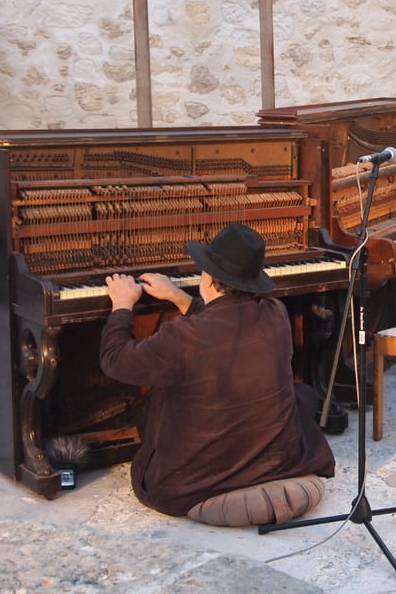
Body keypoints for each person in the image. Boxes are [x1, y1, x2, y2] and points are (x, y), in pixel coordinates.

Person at [100, 222, 335, 525]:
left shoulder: (184, 336)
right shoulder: (275, 313)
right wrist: (178, 298)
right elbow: (222, 325)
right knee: (301, 396)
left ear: (208, 279)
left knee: (154, 404)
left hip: (202, 481)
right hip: (279, 462)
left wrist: (121, 304)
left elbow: (115, 360)